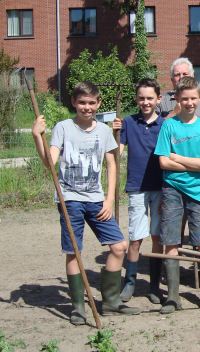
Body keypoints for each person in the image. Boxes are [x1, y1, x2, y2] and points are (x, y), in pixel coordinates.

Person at [32, 81, 140, 325]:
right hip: (69, 199)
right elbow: (50, 164)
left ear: (99, 103)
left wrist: (109, 199)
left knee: (119, 246)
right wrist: (37, 136)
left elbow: (112, 164)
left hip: (96, 199)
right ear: (74, 102)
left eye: (92, 103)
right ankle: (78, 307)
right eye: (82, 102)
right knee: (74, 253)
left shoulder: (103, 131)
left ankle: (111, 302)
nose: (87, 107)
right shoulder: (63, 128)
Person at [154, 76, 200, 314]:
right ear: (177, 99)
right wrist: (193, 164)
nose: (189, 103)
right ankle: (172, 296)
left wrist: (177, 158)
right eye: (184, 99)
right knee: (171, 241)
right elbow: (162, 162)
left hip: (198, 192)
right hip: (172, 191)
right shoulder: (169, 126)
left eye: (193, 98)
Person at [111, 78, 165, 304]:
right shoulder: (127, 123)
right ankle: (130, 282)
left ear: (158, 99)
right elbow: (115, 155)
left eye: (150, 98)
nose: (145, 102)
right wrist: (112, 135)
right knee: (135, 238)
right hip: (137, 188)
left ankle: (154, 285)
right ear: (136, 99)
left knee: (157, 237)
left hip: (161, 188)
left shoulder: (165, 124)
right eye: (141, 98)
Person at [156, 57, 200, 126]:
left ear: (192, 76)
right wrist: (173, 114)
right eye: (177, 75)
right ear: (171, 79)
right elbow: (153, 131)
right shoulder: (160, 101)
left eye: (185, 74)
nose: (181, 77)